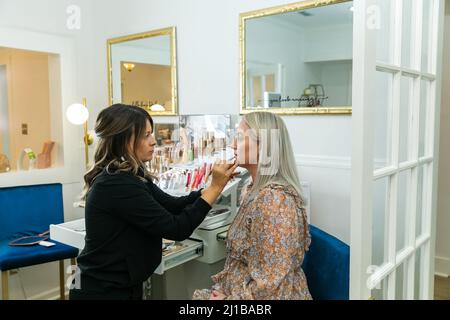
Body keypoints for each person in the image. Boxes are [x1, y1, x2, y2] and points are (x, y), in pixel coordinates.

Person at [69, 104, 237, 300]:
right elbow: (177, 229)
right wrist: (215, 189)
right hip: (102, 291)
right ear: (124, 139)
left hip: (122, 285)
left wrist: (209, 189)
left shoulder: (132, 175)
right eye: (146, 135)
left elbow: (172, 204)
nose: (153, 141)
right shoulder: (116, 184)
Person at [193, 111, 311, 300]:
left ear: (264, 146)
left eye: (239, 138)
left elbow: (272, 287)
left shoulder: (275, 201)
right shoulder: (251, 189)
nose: (232, 145)